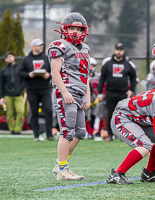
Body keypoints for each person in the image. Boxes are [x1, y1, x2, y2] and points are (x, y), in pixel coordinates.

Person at [48, 12, 91, 180]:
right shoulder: (59, 44)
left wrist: (86, 94)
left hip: (79, 93)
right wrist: (64, 92)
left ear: (84, 31)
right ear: (64, 29)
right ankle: (63, 170)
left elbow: (85, 74)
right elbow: (54, 71)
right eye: (71, 28)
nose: (75, 32)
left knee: (80, 132)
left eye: (78, 29)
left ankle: (60, 163)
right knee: (67, 132)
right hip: (66, 92)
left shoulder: (85, 48)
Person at [97, 43, 137, 142]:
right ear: (114, 50)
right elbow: (102, 78)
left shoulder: (128, 64)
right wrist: (100, 92)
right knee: (110, 114)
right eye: (117, 49)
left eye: (121, 50)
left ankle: (122, 135)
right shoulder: (108, 64)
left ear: (123, 51)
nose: (119, 51)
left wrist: (131, 89)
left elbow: (133, 77)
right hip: (110, 93)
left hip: (123, 93)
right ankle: (110, 134)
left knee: (122, 114)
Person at [19, 38, 55, 141]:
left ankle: (49, 135)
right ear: (33, 47)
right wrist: (29, 75)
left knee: (48, 110)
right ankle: (36, 135)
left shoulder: (46, 58)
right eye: (39, 45)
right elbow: (20, 73)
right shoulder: (26, 59)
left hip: (45, 89)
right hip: (31, 89)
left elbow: (54, 71)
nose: (41, 47)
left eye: (41, 45)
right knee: (34, 112)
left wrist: (48, 75)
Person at [0, 52, 25, 135]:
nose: (10, 58)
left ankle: (18, 129)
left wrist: (20, 89)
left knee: (20, 111)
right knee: (9, 113)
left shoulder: (19, 67)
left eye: (11, 56)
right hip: (8, 95)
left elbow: (24, 79)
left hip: (18, 95)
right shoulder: (3, 70)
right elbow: (1, 84)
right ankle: (12, 129)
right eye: (8, 57)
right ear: (6, 59)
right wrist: (1, 97)